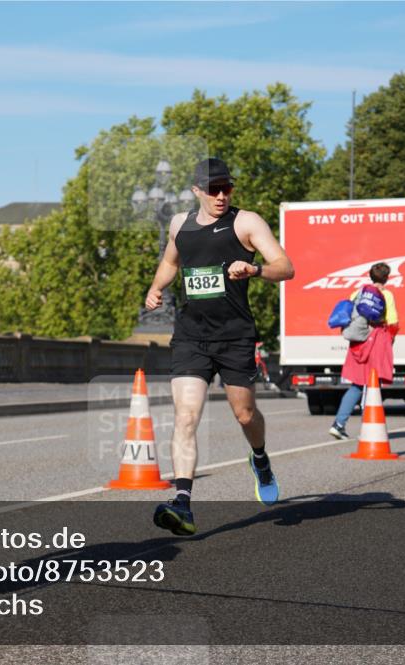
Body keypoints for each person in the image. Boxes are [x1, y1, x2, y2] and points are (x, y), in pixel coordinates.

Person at [144, 158, 294, 536]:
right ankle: (183, 502)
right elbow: (170, 262)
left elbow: (286, 266)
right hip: (192, 336)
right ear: (196, 190)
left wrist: (256, 270)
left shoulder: (247, 222)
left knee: (245, 415)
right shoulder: (181, 224)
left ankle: (259, 459)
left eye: (227, 188)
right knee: (186, 416)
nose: (222, 195)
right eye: (214, 190)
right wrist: (156, 287)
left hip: (235, 336)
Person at [328, 263, 397, 440]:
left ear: (371, 276)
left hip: (358, 342)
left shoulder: (357, 293)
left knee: (357, 385)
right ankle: (370, 427)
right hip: (376, 340)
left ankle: (339, 424)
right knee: (374, 385)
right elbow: (392, 322)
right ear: (386, 277)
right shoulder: (386, 295)